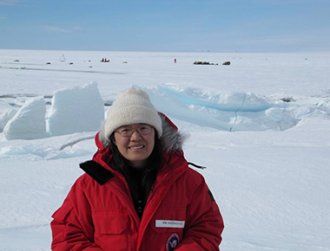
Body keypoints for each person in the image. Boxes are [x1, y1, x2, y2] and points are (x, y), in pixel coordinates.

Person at [51, 87, 224, 251]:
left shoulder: (189, 182)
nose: (135, 137)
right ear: (113, 138)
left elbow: (206, 228)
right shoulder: (90, 186)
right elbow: (67, 235)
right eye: (125, 130)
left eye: (143, 128)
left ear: (156, 134)